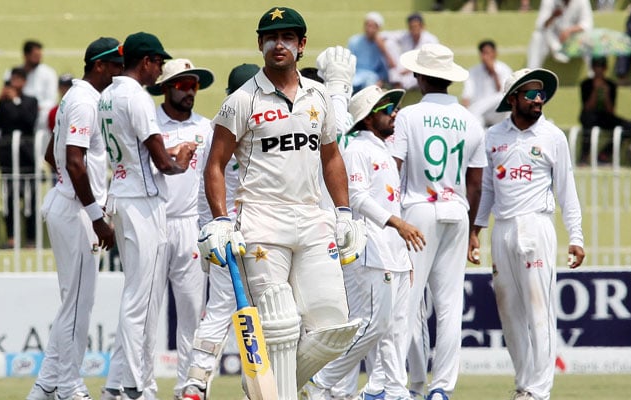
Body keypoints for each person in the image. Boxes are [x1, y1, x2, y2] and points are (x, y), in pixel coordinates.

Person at [199, 7, 366, 400]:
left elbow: (331, 156)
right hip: (261, 223)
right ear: (260, 44)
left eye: (288, 37)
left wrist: (343, 212)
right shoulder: (241, 100)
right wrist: (221, 220)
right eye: (271, 37)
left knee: (333, 328)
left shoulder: (319, 95)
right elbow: (216, 164)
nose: (279, 44)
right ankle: (280, 392)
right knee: (279, 326)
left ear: (301, 45)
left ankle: (263, 387)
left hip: (313, 220)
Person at [301, 85, 425, 400]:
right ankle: (320, 382)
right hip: (370, 250)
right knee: (371, 324)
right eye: (387, 109)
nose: (394, 112)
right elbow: (356, 197)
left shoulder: (383, 150)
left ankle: (395, 390)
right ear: (368, 118)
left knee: (396, 328)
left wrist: (404, 256)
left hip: (393, 252)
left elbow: (390, 202)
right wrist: (398, 224)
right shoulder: (357, 150)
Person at [469, 67, 585, 400]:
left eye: (541, 94)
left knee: (539, 310)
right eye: (531, 94)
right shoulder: (493, 136)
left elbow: (567, 191)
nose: (539, 99)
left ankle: (540, 390)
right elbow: (488, 189)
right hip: (502, 229)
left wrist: (575, 236)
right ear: (513, 98)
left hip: (536, 224)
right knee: (509, 313)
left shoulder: (553, 136)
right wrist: (476, 230)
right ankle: (524, 384)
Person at [98, 32, 194, 400]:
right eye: (158, 63)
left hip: (122, 195)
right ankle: (134, 385)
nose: (160, 70)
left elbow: (134, 150)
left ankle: (116, 383)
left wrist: (166, 155)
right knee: (141, 298)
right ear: (147, 61)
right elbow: (162, 163)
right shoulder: (136, 97)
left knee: (135, 294)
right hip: (143, 201)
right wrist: (181, 158)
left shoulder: (107, 95)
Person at [26, 37, 122, 400]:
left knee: (74, 302)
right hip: (78, 211)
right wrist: (95, 216)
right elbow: (73, 160)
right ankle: (69, 386)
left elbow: (52, 153)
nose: (118, 73)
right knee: (79, 305)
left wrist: (70, 186)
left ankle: (46, 384)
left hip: (69, 204)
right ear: (99, 66)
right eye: (115, 66)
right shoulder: (85, 102)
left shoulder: (75, 98)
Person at [393, 43, 487, 400]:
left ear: (419, 76)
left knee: (408, 299)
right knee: (449, 305)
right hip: (457, 211)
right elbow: (476, 182)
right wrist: (474, 230)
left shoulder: (408, 116)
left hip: (417, 209)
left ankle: (397, 383)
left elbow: (395, 168)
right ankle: (442, 388)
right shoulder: (470, 120)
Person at [180, 63, 257, 400]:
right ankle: (257, 385)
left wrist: (209, 227)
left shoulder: (217, 127)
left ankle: (196, 381)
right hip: (253, 230)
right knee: (261, 308)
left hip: (227, 227)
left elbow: (202, 193)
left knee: (221, 306)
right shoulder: (255, 124)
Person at [143, 58, 215, 400]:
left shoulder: (206, 127)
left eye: (194, 86)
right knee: (147, 312)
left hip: (190, 225)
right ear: (166, 88)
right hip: (153, 222)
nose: (190, 92)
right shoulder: (149, 123)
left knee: (192, 313)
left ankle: (189, 387)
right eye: (183, 85)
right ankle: (143, 386)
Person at [0, 67, 39, 249]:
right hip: (8, 157)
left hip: (26, 156)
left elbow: (29, 121)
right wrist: (1, 101)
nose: (15, 82)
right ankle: (11, 237)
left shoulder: (30, 100)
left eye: (19, 79)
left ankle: (30, 239)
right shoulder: (4, 102)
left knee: (29, 198)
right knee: (9, 198)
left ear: (24, 81)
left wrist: (16, 102)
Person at [578, 56, 631, 164]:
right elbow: (587, 107)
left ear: (605, 68)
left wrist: (606, 94)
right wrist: (595, 90)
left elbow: (611, 110)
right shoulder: (586, 84)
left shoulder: (611, 85)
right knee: (588, 121)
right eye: (596, 67)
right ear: (593, 68)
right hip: (589, 116)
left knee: (628, 127)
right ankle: (584, 156)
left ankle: (604, 155)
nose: (599, 70)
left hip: (604, 116)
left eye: (601, 67)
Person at [4, 40, 59, 132]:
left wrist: (33, 106)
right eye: (35, 56)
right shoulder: (13, 73)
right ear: (26, 55)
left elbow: (51, 100)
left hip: (40, 114)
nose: (38, 59)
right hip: (17, 111)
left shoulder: (48, 73)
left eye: (39, 56)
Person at [526, 0, 593, 69]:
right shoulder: (549, 1)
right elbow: (540, 25)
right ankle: (532, 73)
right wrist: (552, 16)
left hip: (573, 40)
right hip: (552, 41)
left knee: (589, 39)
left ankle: (593, 75)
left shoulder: (582, 1)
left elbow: (587, 24)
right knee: (537, 36)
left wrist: (569, 31)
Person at [461, 40, 513, 128]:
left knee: (502, 97)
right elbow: (467, 95)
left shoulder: (504, 69)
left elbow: (503, 91)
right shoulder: (473, 71)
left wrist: (493, 72)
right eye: (483, 53)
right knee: (474, 115)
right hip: (479, 113)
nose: (485, 57)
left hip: (497, 113)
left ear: (495, 53)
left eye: (488, 53)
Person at [386, 12, 439, 91]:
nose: (414, 30)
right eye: (411, 27)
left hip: (422, 72)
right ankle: (397, 93)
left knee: (417, 77)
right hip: (403, 70)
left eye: (415, 27)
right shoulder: (405, 35)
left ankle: (398, 93)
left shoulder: (431, 40)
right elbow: (384, 35)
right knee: (389, 44)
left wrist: (409, 70)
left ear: (422, 26)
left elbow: (431, 62)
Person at [348, 12, 396, 92]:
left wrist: (383, 48)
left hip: (372, 78)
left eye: (373, 27)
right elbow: (348, 64)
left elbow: (389, 66)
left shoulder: (382, 44)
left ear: (378, 29)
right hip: (355, 77)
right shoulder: (354, 41)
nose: (369, 29)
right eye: (368, 25)